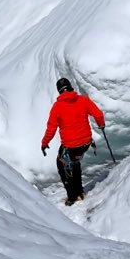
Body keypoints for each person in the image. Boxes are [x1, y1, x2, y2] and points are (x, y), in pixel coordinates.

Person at [41, 78, 105, 206]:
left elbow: (51, 128)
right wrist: (101, 125)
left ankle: (72, 197)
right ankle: (80, 192)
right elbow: (98, 114)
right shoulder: (83, 100)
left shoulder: (57, 107)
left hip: (71, 146)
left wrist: (44, 143)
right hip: (86, 143)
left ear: (59, 91)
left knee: (62, 165)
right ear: (70, 87)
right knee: (74, 163)